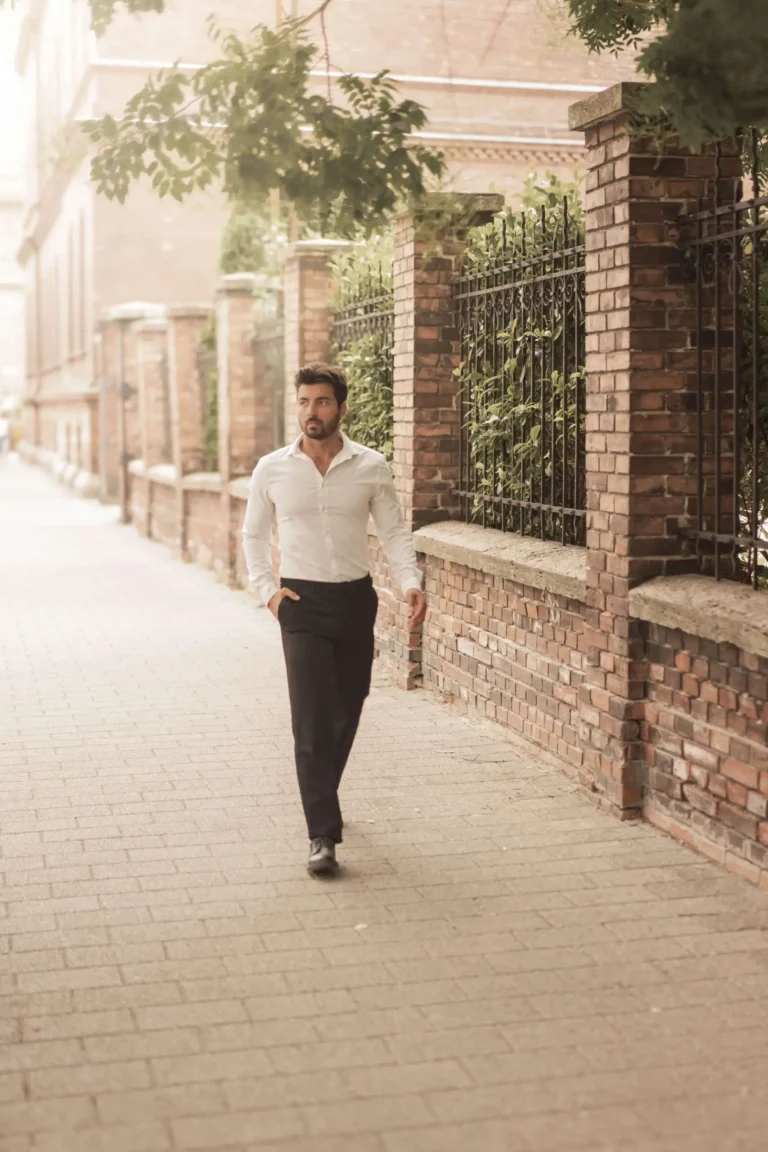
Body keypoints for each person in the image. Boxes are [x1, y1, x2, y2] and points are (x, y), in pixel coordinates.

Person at [242, 363, 427, 874]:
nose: (311, 412)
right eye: (303, 402)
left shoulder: (370, 466)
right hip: (299, 604)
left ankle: (323, 788)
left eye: (321, 402)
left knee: (349, 704)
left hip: (354, 600)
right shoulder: (272, 469)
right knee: (310, 718)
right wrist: (269, 592)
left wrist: (410, 582)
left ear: (341, 408)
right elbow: (253, 535)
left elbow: (393, 531)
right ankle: (322, 834)